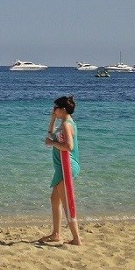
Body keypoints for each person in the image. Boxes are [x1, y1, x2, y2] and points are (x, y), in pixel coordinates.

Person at [40, 95, 81, 245]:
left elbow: (69, 146)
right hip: (61, 166)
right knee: (54, 199)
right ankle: (56, 233)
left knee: (66, 202)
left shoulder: (67, 125)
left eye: (55, 108)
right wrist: (52, 120)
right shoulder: (63, 123)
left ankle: (76, 239)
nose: (53, 110)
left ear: (63, 109)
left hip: (67, 166)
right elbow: (51, 135)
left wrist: (52, 144)